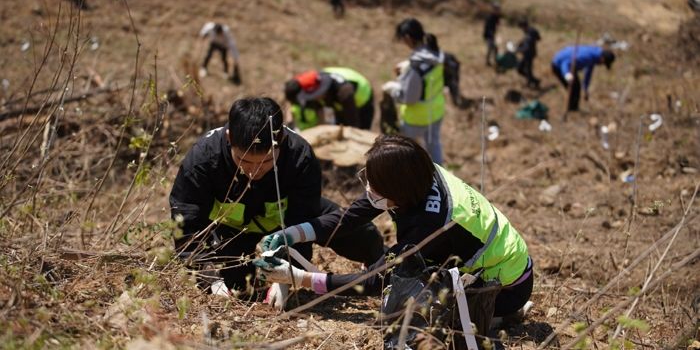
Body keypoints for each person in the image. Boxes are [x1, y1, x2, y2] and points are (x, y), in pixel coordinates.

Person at [256, 134, 533, 325]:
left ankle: (503, 316)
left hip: (507, 287)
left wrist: (302, 278)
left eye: (375, 185)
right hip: (503, 262)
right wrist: (291, 233)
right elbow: (348, 217)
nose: (368, 189)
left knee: (420, 320)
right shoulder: (417, 172)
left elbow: (377, 280)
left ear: (397, 188)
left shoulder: (431, 226)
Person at [169, 97, 384, 305]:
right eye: (243, 161)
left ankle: (378, 268)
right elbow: (187, 222)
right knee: (239, 285)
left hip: (286, 228)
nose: (253, 171)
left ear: (280, 143)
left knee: (361, 235)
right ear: (229, 138)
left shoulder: (300, 156)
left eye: (265, 162)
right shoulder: (203, 159)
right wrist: (209, 278)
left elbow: (303, 216)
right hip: (230, 232)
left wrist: (286, 278)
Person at [382, 18, 446, 164]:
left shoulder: (414, 68)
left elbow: (409, 98)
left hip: (417, 118)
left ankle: (415, 177)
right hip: (436, 112)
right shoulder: (436, 53)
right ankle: (441, 175)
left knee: (409, 150)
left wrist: (392, 89)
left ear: (407, 38)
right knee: (434, 144)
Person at [284, 67, 374, 130]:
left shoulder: (344, 92)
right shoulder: (314, 80)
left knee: (359, 131)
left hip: (362, 101)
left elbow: (354, 126)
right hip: (339, 104)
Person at [551, 45, 615, 112]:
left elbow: (588, 73)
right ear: (602, 59)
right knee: (573, 88)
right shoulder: (586, 57)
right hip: (558, 65)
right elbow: (565, 63)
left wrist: (585, 88)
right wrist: (566, 74)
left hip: (570, 66)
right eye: (604, 63)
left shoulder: (594, 57)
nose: (602, 65)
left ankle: (573, 107)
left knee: (576, 87)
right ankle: (571, 109)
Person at [516, 19, 541, 88]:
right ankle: (532, 80)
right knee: (520, 69)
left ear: (524, 26)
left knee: (527, 70)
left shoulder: (530, 33)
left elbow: (527, 47)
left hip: (529, 54)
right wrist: (520, 43)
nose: (521, 29)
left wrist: (518, 49)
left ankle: (534, 82)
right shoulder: (529, 31)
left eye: (521, 27)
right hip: (527, 54)